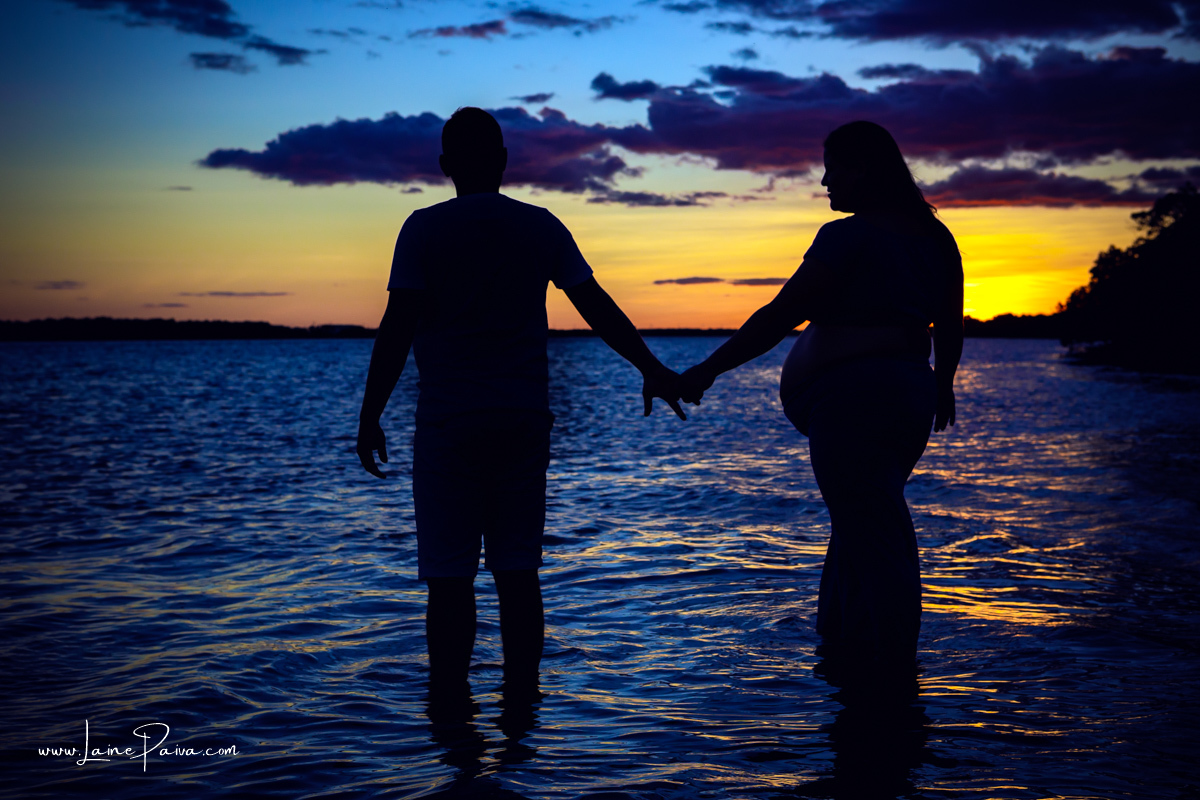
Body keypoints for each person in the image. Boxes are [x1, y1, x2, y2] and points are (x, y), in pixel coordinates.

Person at [356, 107, 685, 700]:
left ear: (444, 166)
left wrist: (369, 415)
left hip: (448, 424)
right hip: (521, 421)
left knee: (449, 580)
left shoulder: (422, 228)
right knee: (517, 574)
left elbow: (397, 324)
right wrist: (653, 368)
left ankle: (452, 726)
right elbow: (596, 305)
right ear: (504, 162)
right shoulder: (540, 225)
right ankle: (521, 723)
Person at [680, 120, 963, 685]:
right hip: (908, 396)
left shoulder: (848, 237)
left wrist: (705, 371)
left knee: (874, 529)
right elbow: (950, 322)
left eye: (834, 166)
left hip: (855, 403)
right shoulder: (935, 237)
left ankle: (895, 679)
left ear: (865, 170)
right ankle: (843, 654)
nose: (825, 179)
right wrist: (943, 383)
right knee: (860, 522)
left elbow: (779, 317)